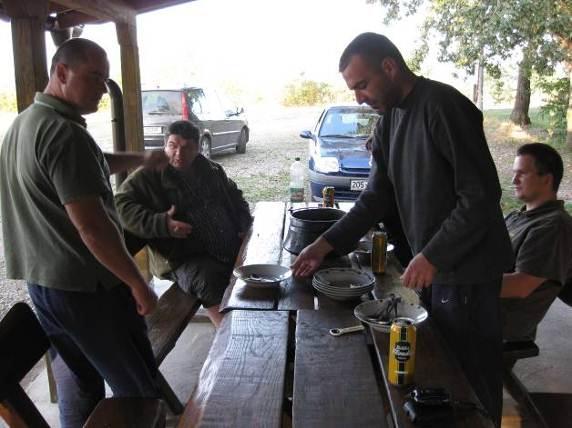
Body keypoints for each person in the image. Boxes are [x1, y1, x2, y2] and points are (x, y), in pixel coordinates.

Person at [292, 32, 513, 426]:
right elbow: (375, 198)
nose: (358, 97)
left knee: (472, 377)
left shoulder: (444, 106)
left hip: (468, 270)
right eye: (353, 88)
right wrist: (324, 245)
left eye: (362, 84)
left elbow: (480, 196)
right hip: (434, 266)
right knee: (440, 369)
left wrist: (433, 254)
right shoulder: (390, 120)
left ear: (390, 67)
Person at [0, 38, 167, 427]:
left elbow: (90, 164)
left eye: (105, 80)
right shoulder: (65, 134)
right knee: (138, 390)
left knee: (82, 382)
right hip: (87, 291)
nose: (101, 90)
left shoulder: (24, 124)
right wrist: (137, 283)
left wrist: (141, 159)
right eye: (94, 78)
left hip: (45, 288)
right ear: (61, 72)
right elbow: (92, 228)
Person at [115, 120, 253, 327]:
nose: (178, 153)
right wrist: (161, 224)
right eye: (173, 146)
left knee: (254, 268)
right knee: (209, 281)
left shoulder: (212, 170)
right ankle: (230, 341)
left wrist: (243, 225)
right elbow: (120, 205)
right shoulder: (148, 176)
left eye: (187, 147)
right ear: (165, 146)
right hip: (182, 257)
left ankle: (254, 322)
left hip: (227, 247)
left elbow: (236, 197)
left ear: (198, 148)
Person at [501, 143, 572, 342]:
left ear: (546, 179)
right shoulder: (517, 216)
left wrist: (463, 283)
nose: (514, 180)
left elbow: (520, 285)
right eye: (515, 173)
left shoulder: (554, 226)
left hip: (499, 328)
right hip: (477, 311)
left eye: (522, 174)